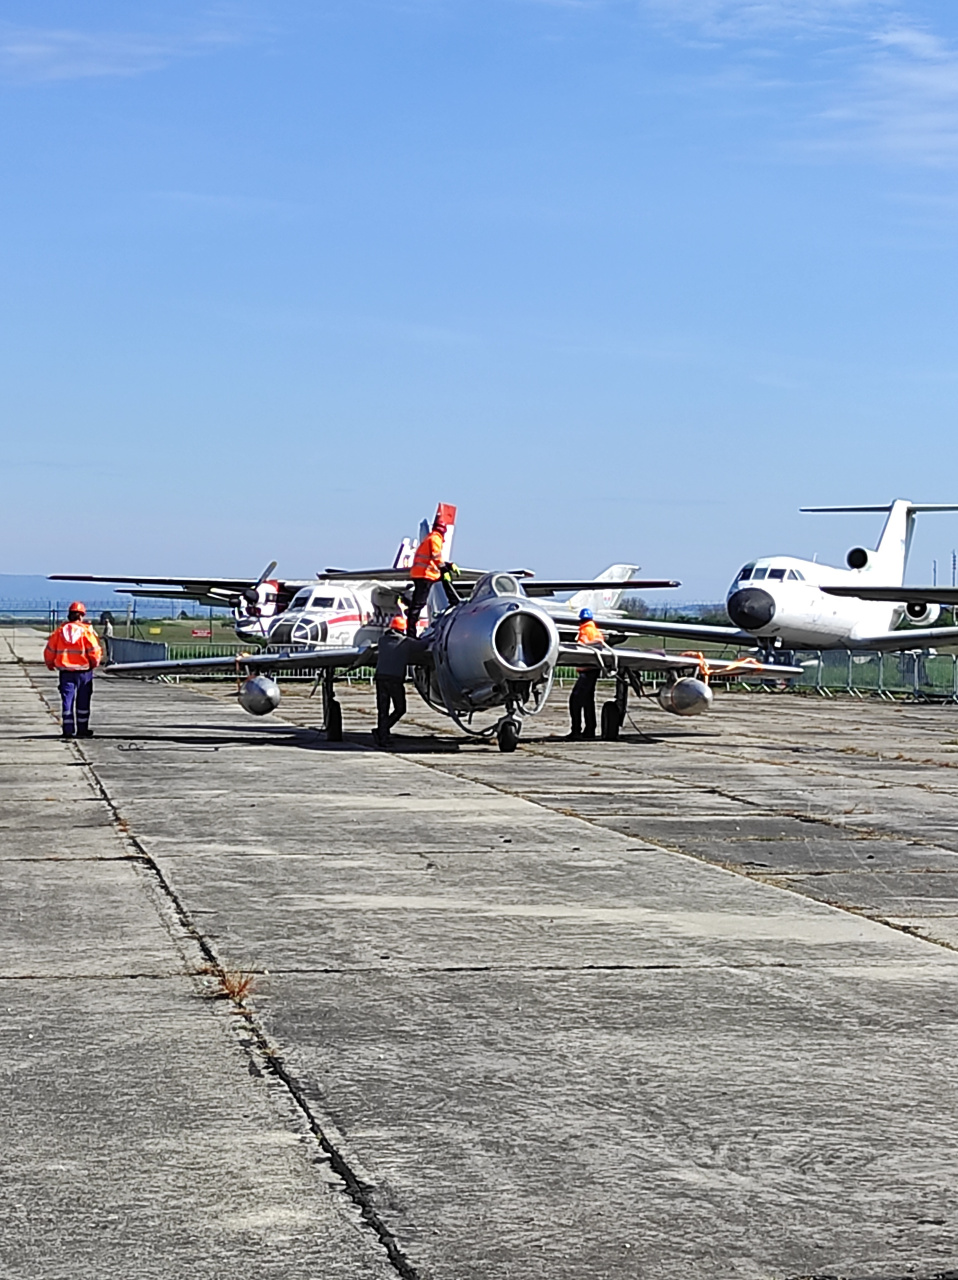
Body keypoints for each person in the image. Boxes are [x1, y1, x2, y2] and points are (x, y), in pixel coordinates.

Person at [44, 602, 103, 739]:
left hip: (66, 672)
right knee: (83, 701)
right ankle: (82, 729)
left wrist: (50, 664)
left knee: (67, 701)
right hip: (84, 672)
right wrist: (94, 664)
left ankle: (68, 729)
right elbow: (94, 651)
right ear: (81, 616)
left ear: (69, 615)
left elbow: (50, 650)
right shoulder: (86, 632)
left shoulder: (59, 632)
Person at [373, 615, 428, 747]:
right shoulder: (405, 642)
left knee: (383, 710)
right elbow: (423, 646)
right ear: (403, 629)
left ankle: (382, 734)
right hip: (394, 679)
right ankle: (382, 733)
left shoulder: (382, 640)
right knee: (400, 708)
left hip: (381, 678)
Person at [568, 608, 609, 740]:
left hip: (587, 669)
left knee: (575, 699)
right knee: (587, 701)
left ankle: (576, 730)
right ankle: (590, 729)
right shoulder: (595, 631)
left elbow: (582, 646)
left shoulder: (584, 631)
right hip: (594, 668)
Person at [406, 516, 447, 633]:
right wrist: (443, 568)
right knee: (419, 603)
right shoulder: (435, 538)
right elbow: (436, 555)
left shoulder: (429, 538)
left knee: (417, 602)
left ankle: (411, 625)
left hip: (420, 574)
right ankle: (411, 630)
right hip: (425, 574)